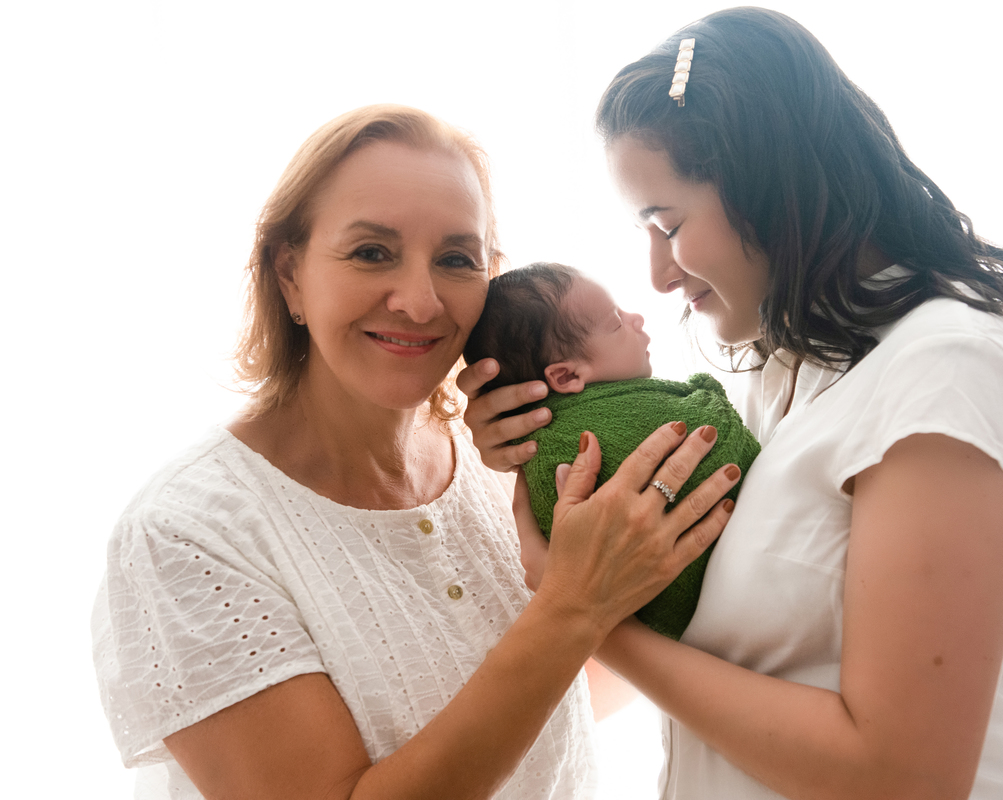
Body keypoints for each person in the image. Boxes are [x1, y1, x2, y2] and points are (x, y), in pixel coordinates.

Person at [457, 8, 1003, 800]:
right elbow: (706, 661)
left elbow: (905, 776)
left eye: (667, 223)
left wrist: (587, 609)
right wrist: (539, 446)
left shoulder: (945, 372)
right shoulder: (773, 377)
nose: (659, 275)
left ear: (769, 187)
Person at [90, 104, 742, 800]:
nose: (421, 301)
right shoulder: (187, 533)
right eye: (372, 252)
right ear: (289, 275)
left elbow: (568, 700)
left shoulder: (506, 461)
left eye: (457, 260)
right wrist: (573, 605)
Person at [462, 262, 760, 639]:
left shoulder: (551, 431)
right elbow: (715, 428)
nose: (635, 319)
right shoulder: (576, 440)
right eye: (617, 323)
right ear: (567, 376)